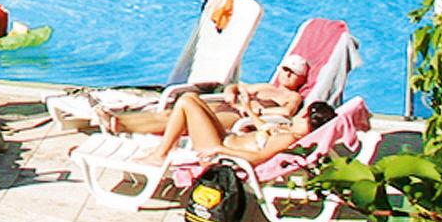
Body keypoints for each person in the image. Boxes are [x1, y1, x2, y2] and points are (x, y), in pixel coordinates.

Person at [96, 55, 312, 137]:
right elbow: (236, 88)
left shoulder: (292, 97)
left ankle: (121, 127)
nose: (286, 74)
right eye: (285, 69)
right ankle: (117, 120)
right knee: (171, 114)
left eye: (292, 73)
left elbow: (286, 112)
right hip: (232, 107)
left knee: (187, 123)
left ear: (301, 78)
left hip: (241, 119)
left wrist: (257, 109)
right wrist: (232, 93)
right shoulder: (265, 85)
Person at [131, 94, 336, 166]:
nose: (299, 115)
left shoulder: (288, 139)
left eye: (304, 116)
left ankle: (162, 153)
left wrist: (220, 151)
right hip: (225, 139)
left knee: (186, 102)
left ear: (310, 126)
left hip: (219, 149)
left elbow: (258, 158)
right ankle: (167, 147)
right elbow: (263, 129)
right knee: (192, 98)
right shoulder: (288, 131)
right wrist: (247, 109)